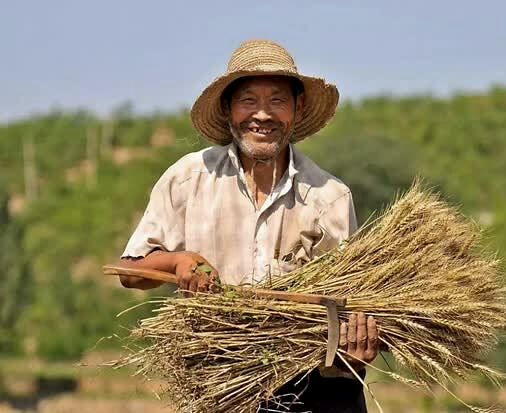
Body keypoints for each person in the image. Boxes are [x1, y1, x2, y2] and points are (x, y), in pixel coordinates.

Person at [118, 39, 378, 412]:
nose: (262, 115)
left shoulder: (329, 197)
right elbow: (129, 271)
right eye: (248, 101)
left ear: (297, 108)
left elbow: (348, 311)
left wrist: (355, 353)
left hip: (311, 391)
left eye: (277, 101)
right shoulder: (189, 179)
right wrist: (178, 262)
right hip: (218, 383)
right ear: (228, 109)